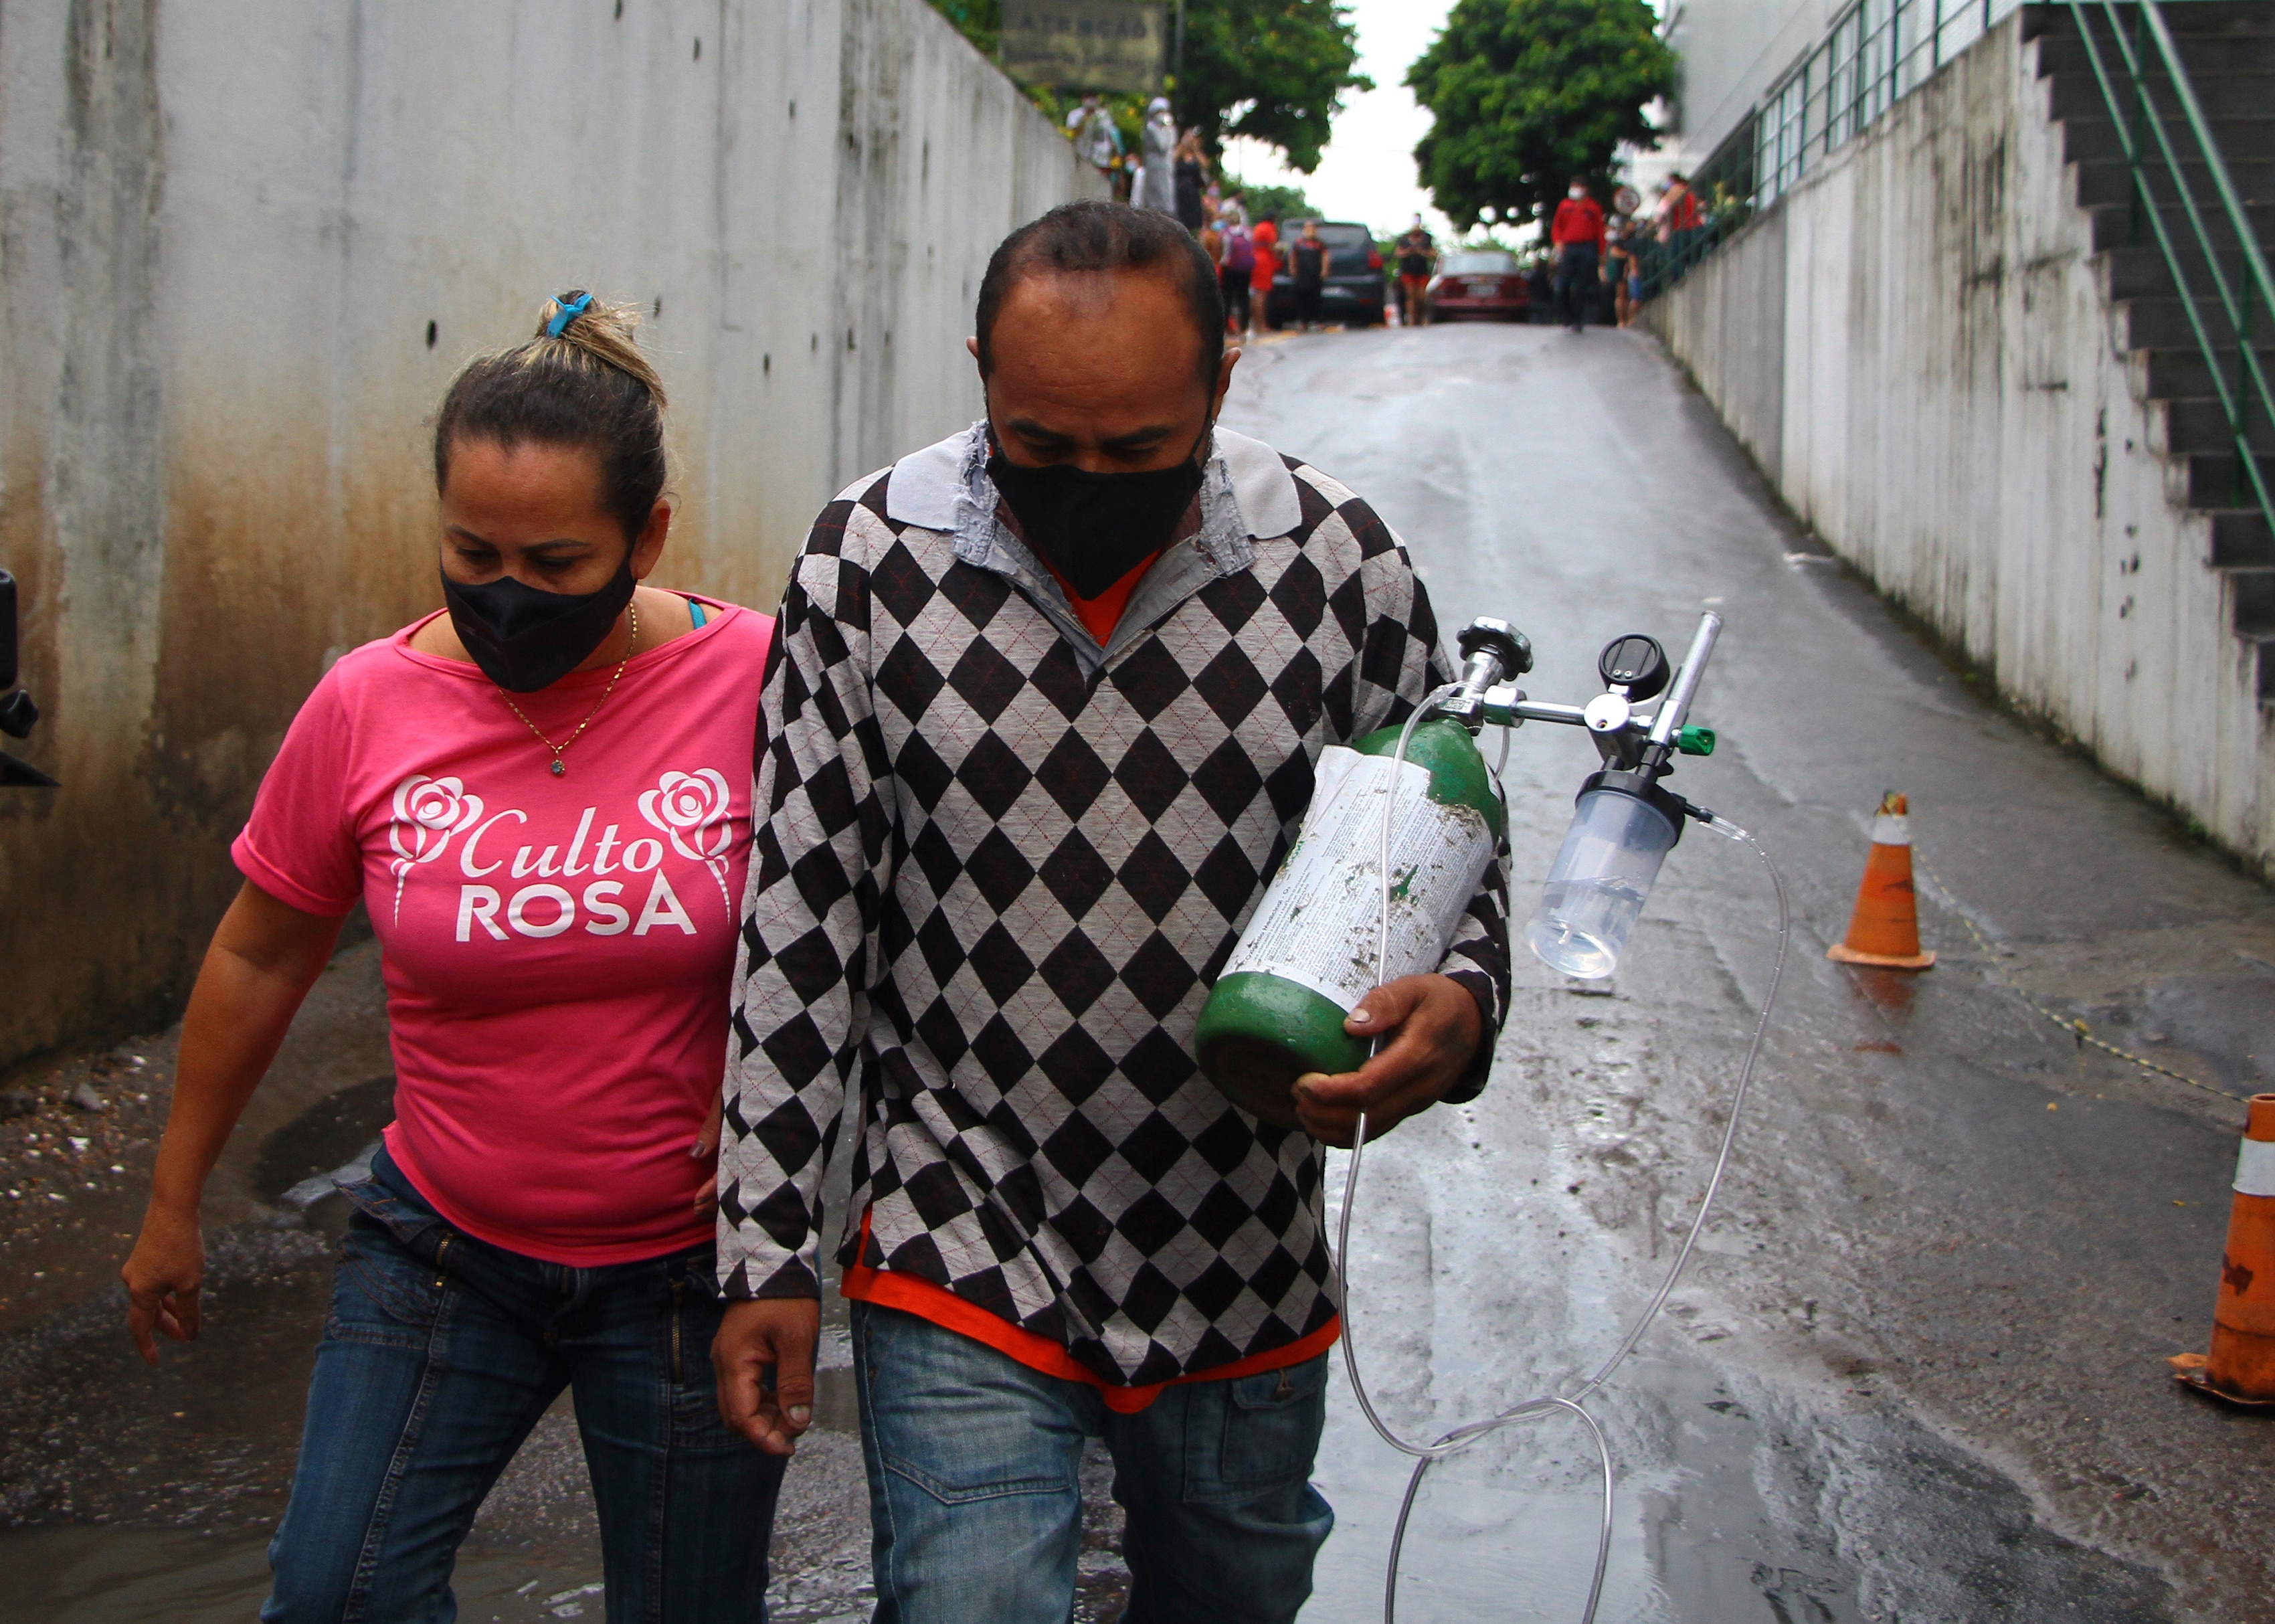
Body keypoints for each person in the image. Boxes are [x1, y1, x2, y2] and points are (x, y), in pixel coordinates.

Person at [709, 200, 1510, 1623]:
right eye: (1040, 448)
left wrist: (1459, 1001)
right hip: (956, 1218)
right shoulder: (863, 563)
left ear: (1222, 378)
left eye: (1139, 449)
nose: (1088, 481)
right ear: (980, 377)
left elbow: (1445, 840)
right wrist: (764, 1246)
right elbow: (800, 915)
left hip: (1240, 1245)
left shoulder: (1342, 570)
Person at [118, 293, 784, 1621]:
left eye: (553, 562)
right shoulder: (367, 702)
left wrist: (797, 1197)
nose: (506, 595)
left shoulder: (762, 683)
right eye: (470, 552)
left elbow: (861, 941)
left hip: (686, 1270)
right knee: (333, 1595)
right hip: (440, 1247)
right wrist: (172, 1199)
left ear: (646, 535)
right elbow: (260, 953)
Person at [1550, 177, 1606, 333]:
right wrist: (1558, 242)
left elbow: (1600, 231)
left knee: (1582, 286)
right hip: (1569, 248)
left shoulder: (1593, 207)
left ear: (1585, 189)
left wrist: (1601, 252)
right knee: (1564, 283)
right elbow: (1557, 226)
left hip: (1587, 248)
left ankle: (1577, 319)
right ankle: (1566, 314)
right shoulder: (1565, 205)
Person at [1136, 96, 1177, 214]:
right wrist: (1166, 130)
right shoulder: (1151, 129)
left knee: (1167, 196)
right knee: (1155, 197)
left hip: (1166, 168)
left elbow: (1172, 145)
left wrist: (1169, 129)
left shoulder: (1168, 129)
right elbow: (1162, 146)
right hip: (1154, 168)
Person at [1394, 213, 1436, 326]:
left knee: (1421, 297)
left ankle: (1421, 317)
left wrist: (1421, 252)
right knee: (1411, 295)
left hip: (1422, 271)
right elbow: (1398, 253)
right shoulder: (1404, 239)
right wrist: (1409, 252)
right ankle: (1411, 320)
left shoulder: (1427, 238)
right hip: (1408, 271)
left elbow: (1433, 254)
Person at [1218, 208, 1255, 335]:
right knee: (1244, 297)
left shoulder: (1225, 233)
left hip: (1230, 268)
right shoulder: (1248, 232)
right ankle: (1244, 327)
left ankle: (1224, 328)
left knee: (1227, 297)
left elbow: (1224, 253)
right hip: (1245, 268)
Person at [1289, 217, 1328, 331]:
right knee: (1302, 299)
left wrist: (1324, 270)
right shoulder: (1299, 243)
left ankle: (1319, 322)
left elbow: (1326, 257)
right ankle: (1303, 322)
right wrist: (1293, 269)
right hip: (1302, 275)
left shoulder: (1319, 243)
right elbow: (1293, 256)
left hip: (1315, 275)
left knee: (1316, 298)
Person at [1659, 171, 1705, 262]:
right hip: (1696, 227)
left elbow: (1666, 209)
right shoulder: (1689, 193)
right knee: (1693, 260)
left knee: (1673, 261)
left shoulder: (1676, 190)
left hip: (1683, 229)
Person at [1249, 209, 1280, 336]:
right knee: (1262, 294)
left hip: (1255, 258)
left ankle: (1255, 323)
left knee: (1256, 293)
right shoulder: (1269, 228)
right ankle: (1261, 325)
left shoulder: (1258, 227)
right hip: (1265, 261)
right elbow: (1273, 246)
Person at [1174, 128, 1210, 234]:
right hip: (1180, 190)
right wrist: (1182, 145)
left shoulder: (1196, 157)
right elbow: (1172, 160)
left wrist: (1195, 149)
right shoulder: (1179, 156)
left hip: (1193, 191)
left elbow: (1205, 165)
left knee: (1192, 222)